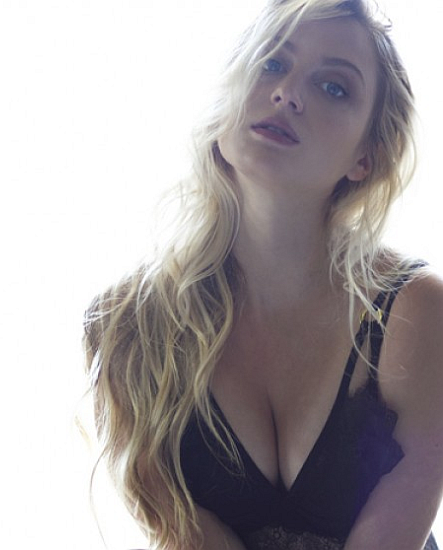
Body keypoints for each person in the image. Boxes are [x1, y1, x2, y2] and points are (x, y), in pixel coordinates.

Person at [82, 0, 443, 548]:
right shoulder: (127, 327)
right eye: (271, 63)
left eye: (334, 87)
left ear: (364, 157)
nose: (288, 93)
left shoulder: (416, 315)